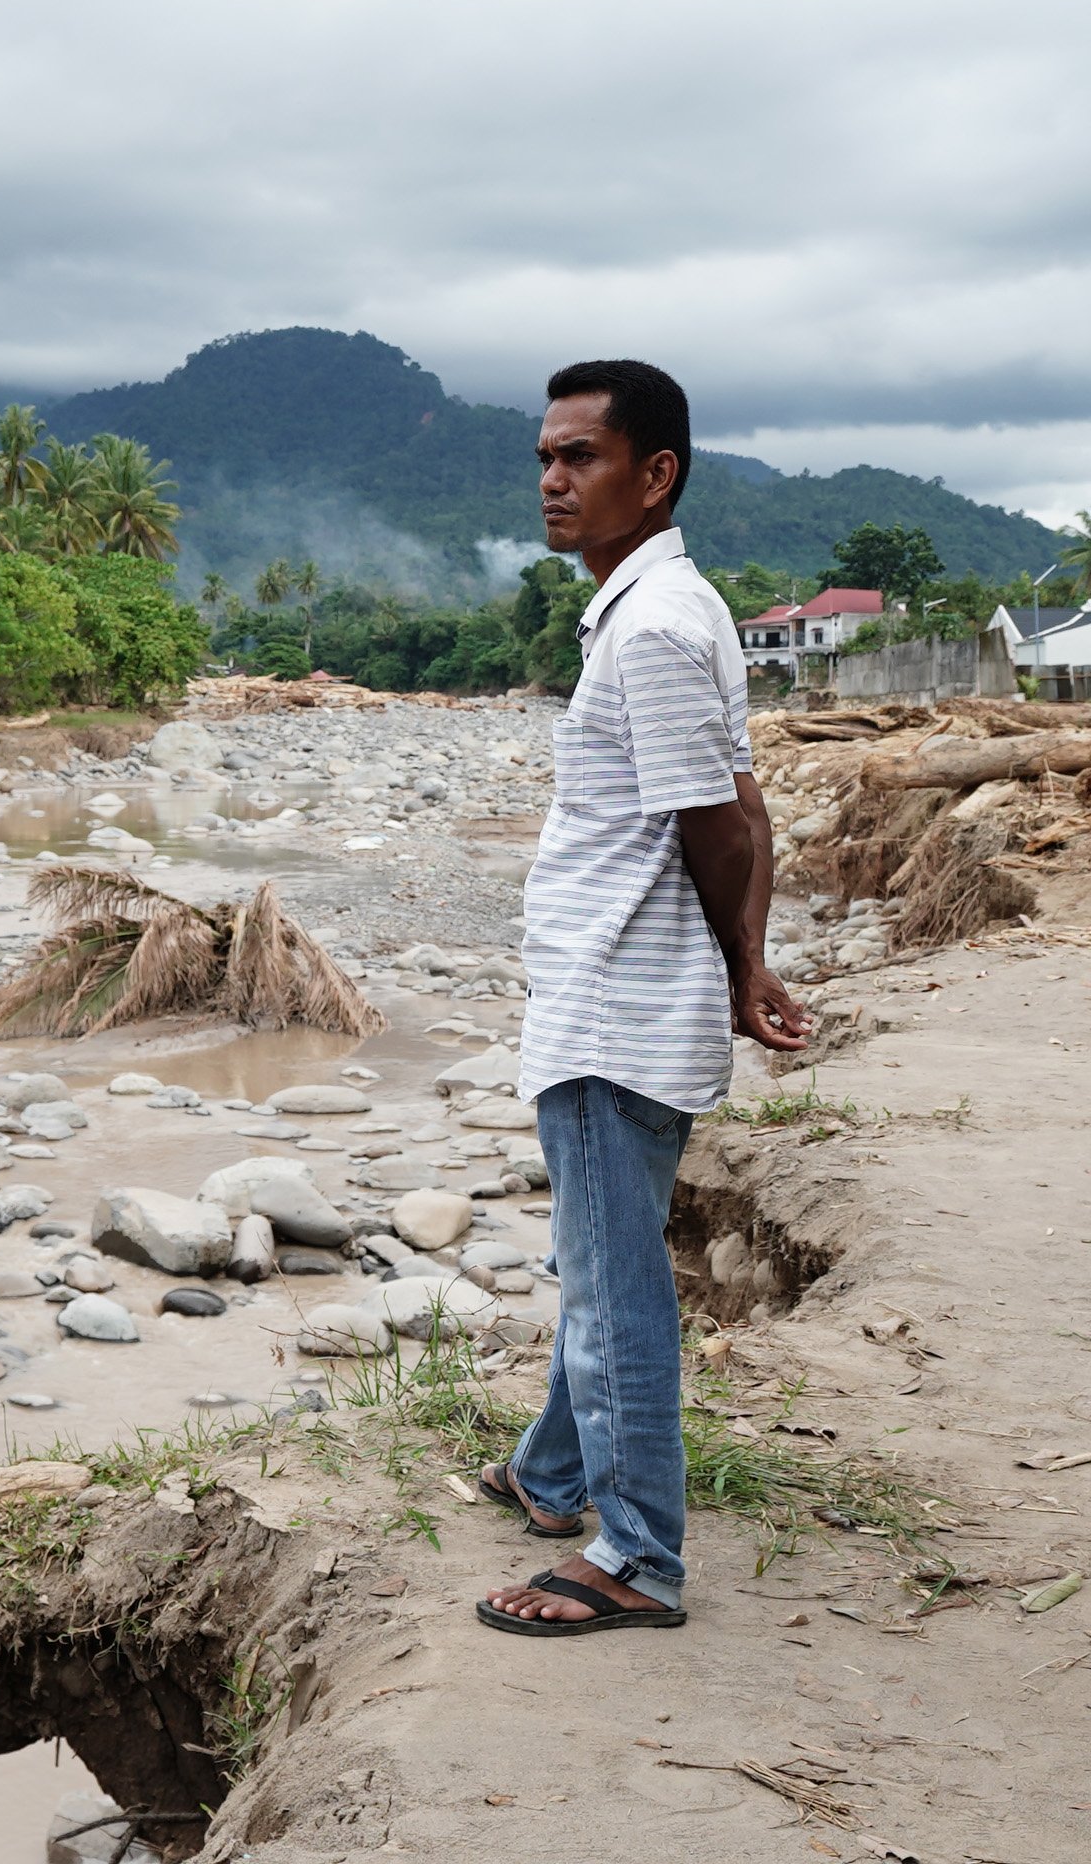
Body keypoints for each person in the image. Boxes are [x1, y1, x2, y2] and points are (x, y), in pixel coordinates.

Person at [473, 359, 810, 1639]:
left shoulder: (655, 626)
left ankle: (635, 1553)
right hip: (630, 992)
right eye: (545, 458)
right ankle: (552, 1472)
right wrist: (745, 961)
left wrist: (737, 963)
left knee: (613, 1286)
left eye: (581, 457)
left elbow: (719, 822)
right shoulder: (661, 607)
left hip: (615, 1002)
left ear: (654, 473)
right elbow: (745, 802)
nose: (552, 480)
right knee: (599, 1256)